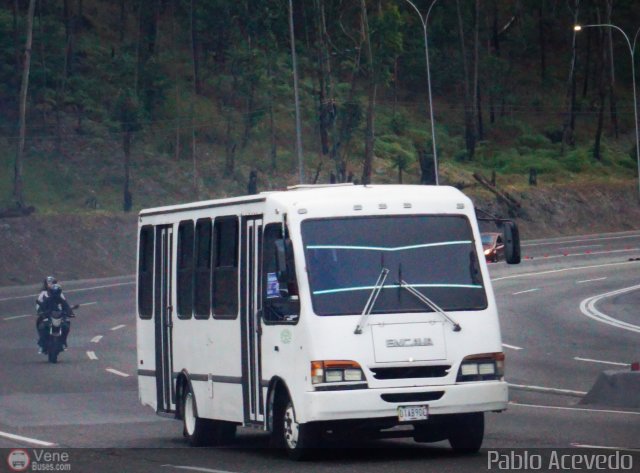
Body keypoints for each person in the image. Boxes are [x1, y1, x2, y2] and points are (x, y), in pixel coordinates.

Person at [36, 278, 74, 354]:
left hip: (60, 317)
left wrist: (70, 313)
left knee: (66, 326)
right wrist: (41, 312)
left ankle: (63, 342)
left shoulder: (61, 299)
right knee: (42, 327)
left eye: (57, 292)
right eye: (54, 292)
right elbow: (41, 306)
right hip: (48, 317)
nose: (55, 294)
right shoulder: (46, 298)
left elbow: (66, 306)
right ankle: (42, 344)